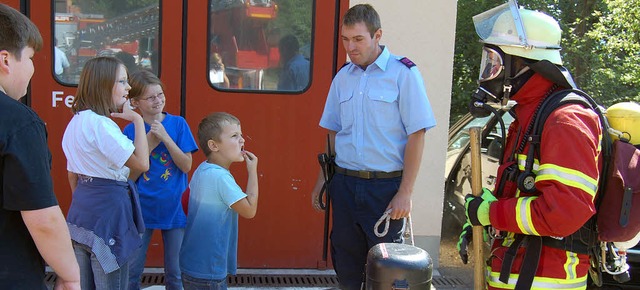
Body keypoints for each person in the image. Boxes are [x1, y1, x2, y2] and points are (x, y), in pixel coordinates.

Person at [458, 1, 601, 289]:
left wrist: (491, 213)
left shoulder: (565, 120)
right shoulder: (528, 116)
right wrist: (487, 215)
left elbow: (562, 214)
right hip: (518, 274)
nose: (490, 73)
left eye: (495, 63)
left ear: (523, 63)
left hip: (544, 280)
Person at [309, 4, 436, 289]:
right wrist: (323, 180)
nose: (350, 47)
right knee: (346, 263)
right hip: (344, 184)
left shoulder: (403, 73)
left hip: (385, 190)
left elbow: (417, 134)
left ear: (377, 35)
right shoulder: (343, 77)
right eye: (345, 39)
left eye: (358, 39)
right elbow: (333, 131)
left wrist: (406, 192)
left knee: (388, 272)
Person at [0, 4, 81, 289]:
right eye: (32, 58)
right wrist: (69, 274)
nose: (33, 67)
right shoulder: (19, 123)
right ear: (6, 60)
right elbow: (43, 219)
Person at [62, 56, 149, 289]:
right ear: (104, 84)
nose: (128, 87)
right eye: (122, 81)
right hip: (109, 214)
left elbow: (72, 175)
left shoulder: (76, 121)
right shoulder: (101, 124)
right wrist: (138, 121)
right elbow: (142, 163)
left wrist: (86, 200)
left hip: (81, 212)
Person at [125, 70, 198, 290]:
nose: (158, 100)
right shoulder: (131, 130)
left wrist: (166, 138)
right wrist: (150, 142)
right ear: (135, 102)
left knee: (175, 273)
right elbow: (131, 175)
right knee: (132, 271)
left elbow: (186, 166)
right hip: (141, 208)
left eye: (160, 94)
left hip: (175, 207)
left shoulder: (178, 124)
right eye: (151, 97)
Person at [179, 112, 258, 290]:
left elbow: (185, 202)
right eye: (234, 136)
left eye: (241, 135)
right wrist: (252, 172)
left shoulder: (202, 169)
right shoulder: (221, 178)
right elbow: (250, 210)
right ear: (214, 145)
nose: (242, 140)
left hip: (191, 263)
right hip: (209, 270)